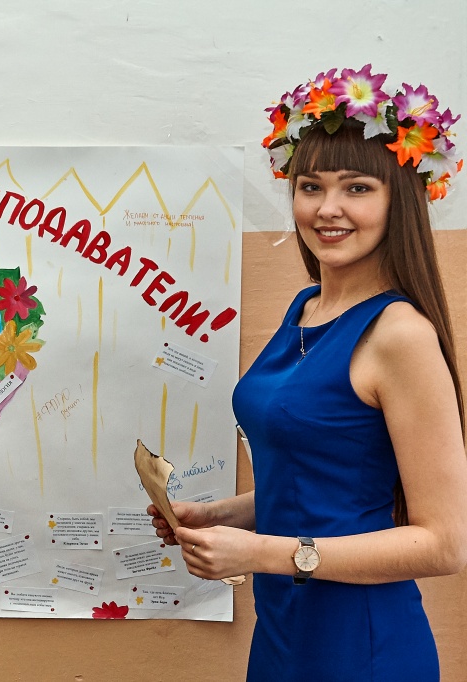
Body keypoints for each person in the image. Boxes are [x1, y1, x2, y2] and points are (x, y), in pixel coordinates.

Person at [149, 66, 467, 680]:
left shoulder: (399, 334)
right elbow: (323, 481)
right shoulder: (306, 308)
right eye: (310, 187)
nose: (327, 209)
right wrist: (220, 517)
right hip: (284, 631)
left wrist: (261, 552)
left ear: (399, 199)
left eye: (357, 188)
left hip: (362, 643)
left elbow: (445, 543)